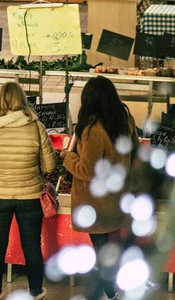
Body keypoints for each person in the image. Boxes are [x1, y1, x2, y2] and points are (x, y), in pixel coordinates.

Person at [0, 82, 56, 300]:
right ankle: (36, 291)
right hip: (29, 195)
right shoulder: (36, 125)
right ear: (22, 100)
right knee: (32, 246)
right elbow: (50, 166)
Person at [61, 76, 139, 300]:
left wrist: (68, 158)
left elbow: (88, 171)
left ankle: (110, 291)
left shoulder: (93, 130)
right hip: (118, 196)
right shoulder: (125, 119)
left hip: (96, 202)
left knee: (101, 249)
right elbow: (134, 153)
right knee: (111, 248)